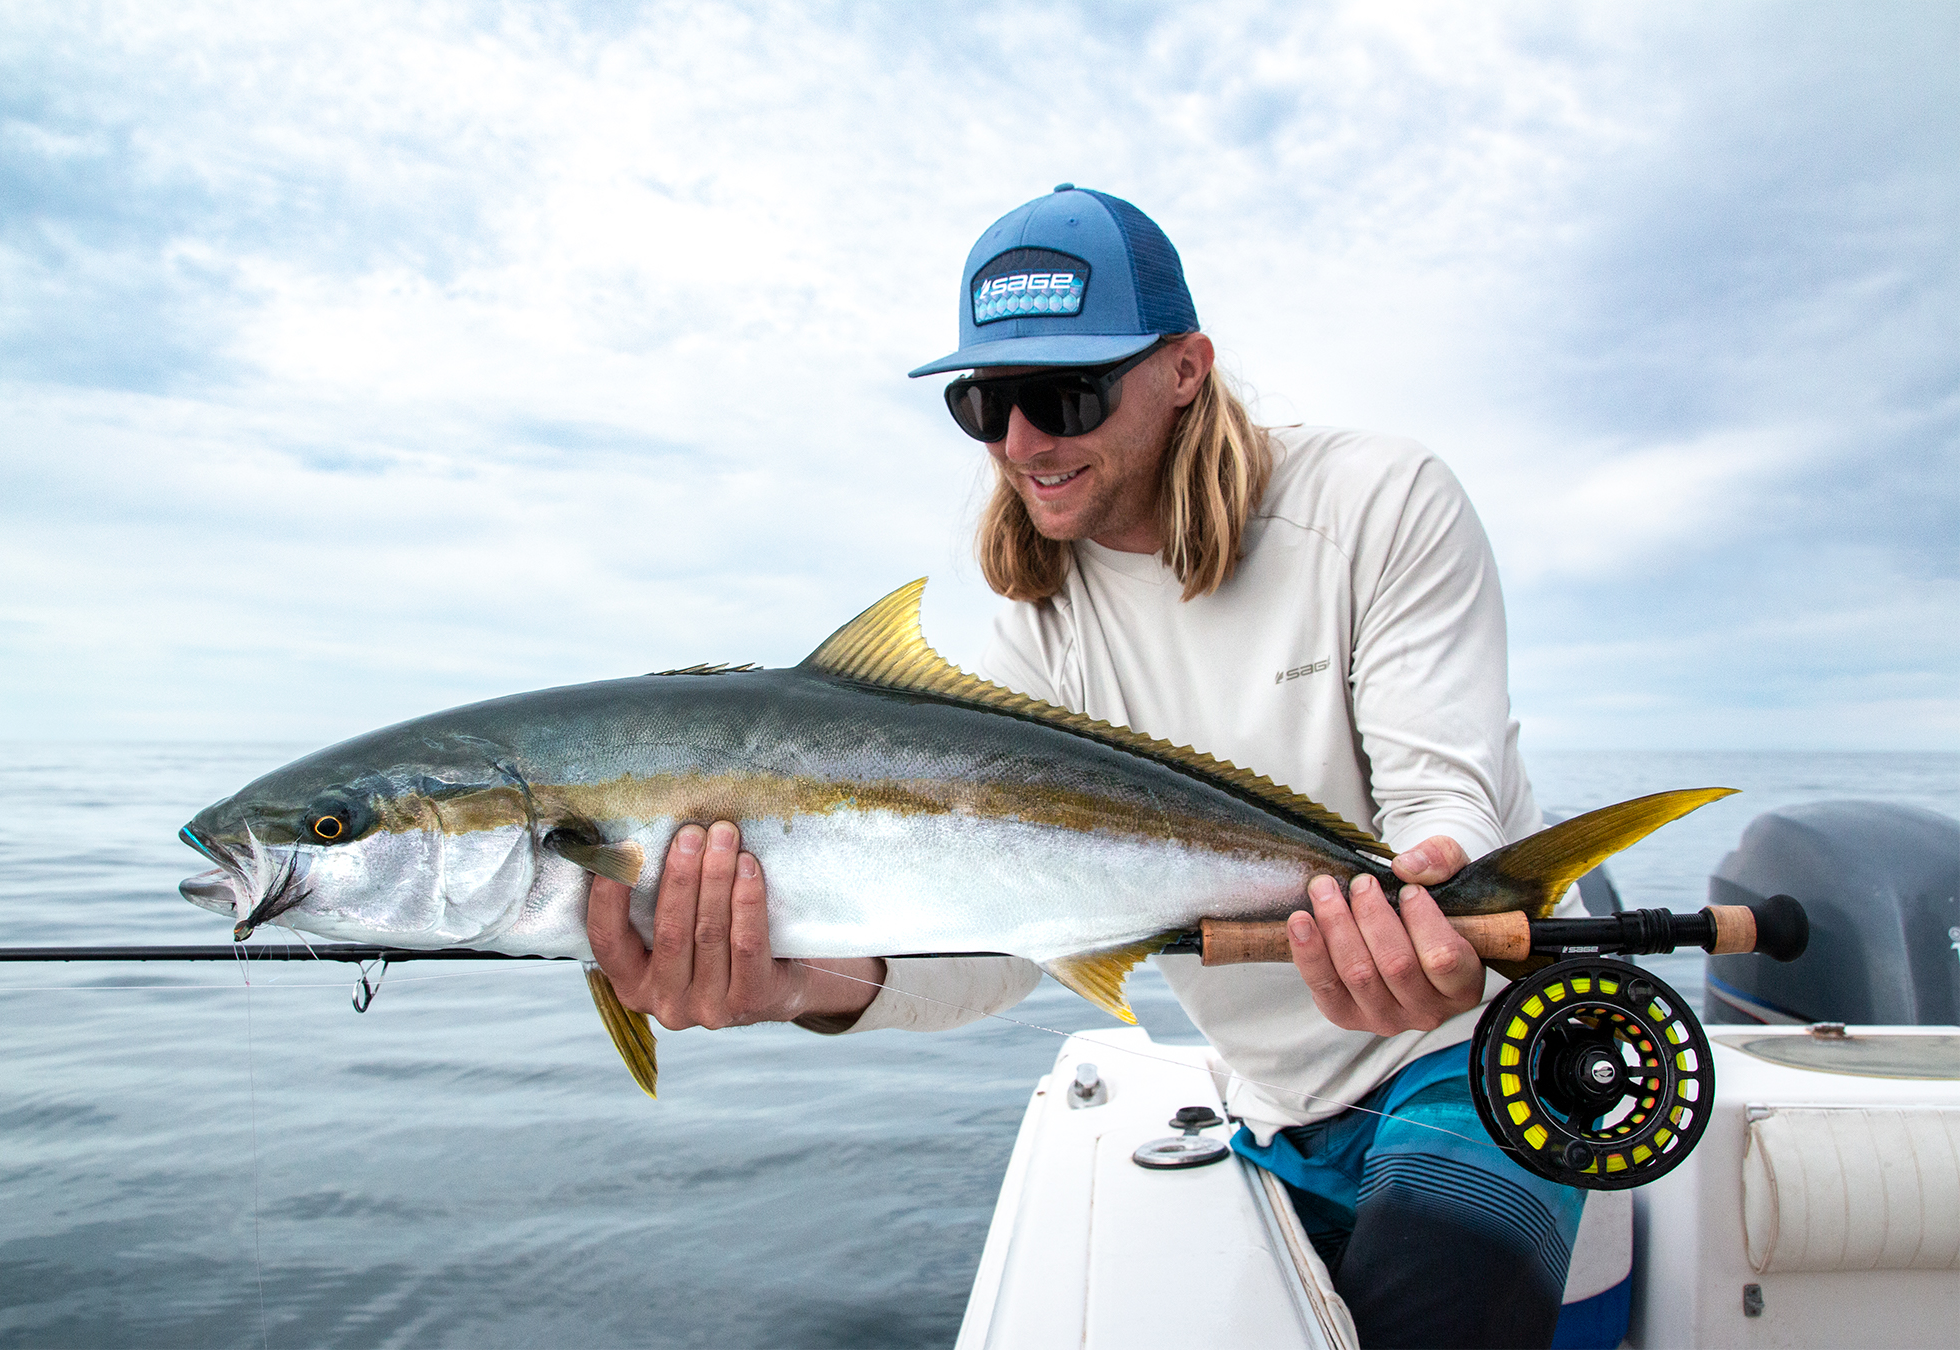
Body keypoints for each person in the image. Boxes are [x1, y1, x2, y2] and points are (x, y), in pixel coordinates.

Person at [585, 186, 1588, 1348]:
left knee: (1438, 1313)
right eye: (985, 404)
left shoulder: (1375, 501)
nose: (1021, 444)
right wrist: (792, 984)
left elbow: (1442, 797)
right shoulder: (1034, 644)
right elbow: (1000, 949)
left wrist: (1442, 894)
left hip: (1470, 1049)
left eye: (1062, 395)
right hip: (1271, 1106)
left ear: (1185, 369)